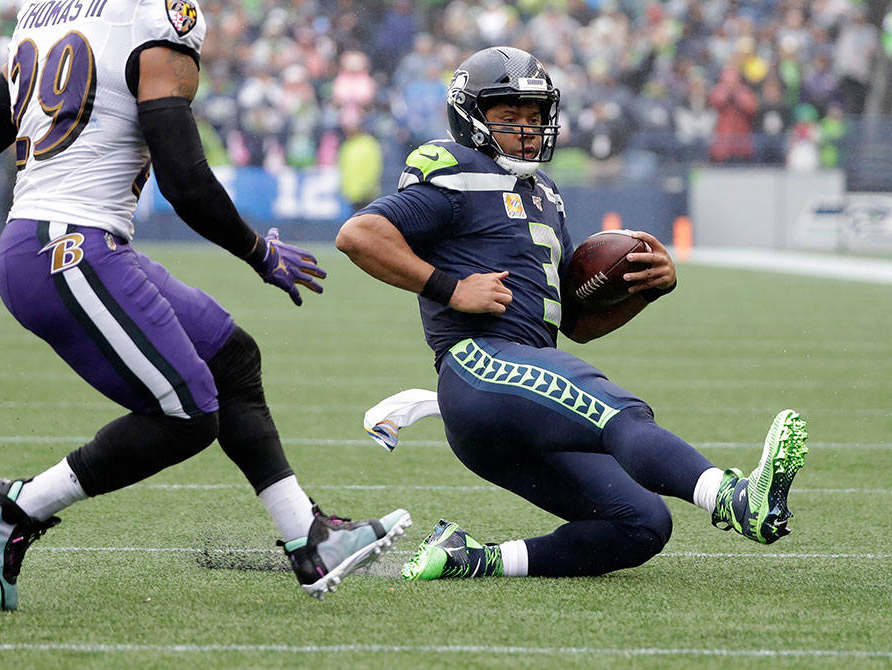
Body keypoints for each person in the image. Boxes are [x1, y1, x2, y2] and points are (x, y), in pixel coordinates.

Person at [0, 0, 408, 610]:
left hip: (56, 247)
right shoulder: (159, 11)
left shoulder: (42, 15)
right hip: (70, 250)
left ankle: (309, 538)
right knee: (191, 412)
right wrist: (259, 254)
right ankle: (21, 504)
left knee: (231, 358)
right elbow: (185, 180)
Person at [335, 46, 807, 581]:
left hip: (521, 389)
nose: (525, 129)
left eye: (533, 117)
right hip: (477, 367)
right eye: (508, 116)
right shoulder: (459, 173)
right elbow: (359, 234)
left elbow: (576, 325)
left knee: (642, 523)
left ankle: (474, 559)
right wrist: (451, 287)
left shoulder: (547, 197)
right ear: (470, 116)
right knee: (616, 409)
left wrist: (644, 291)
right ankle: (736, 497)